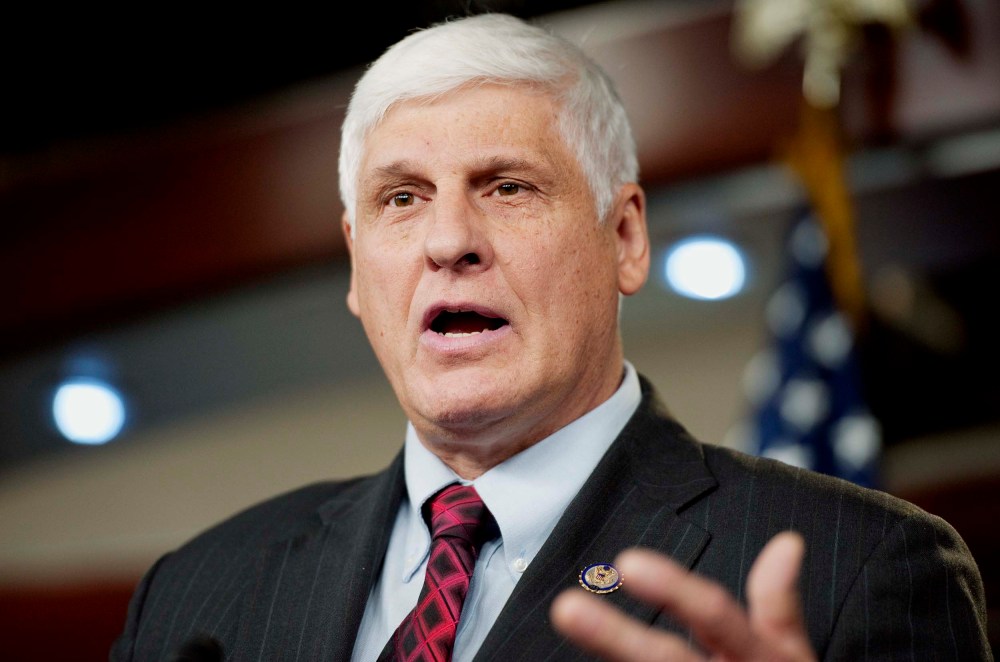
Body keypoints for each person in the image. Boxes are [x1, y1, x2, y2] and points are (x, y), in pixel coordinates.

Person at [111, 12, 990, 662]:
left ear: (625, 238)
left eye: (508, 187)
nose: (448, 241)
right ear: (354, 265)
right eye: (401, 198)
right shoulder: (198, 597)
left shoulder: (863, 570)